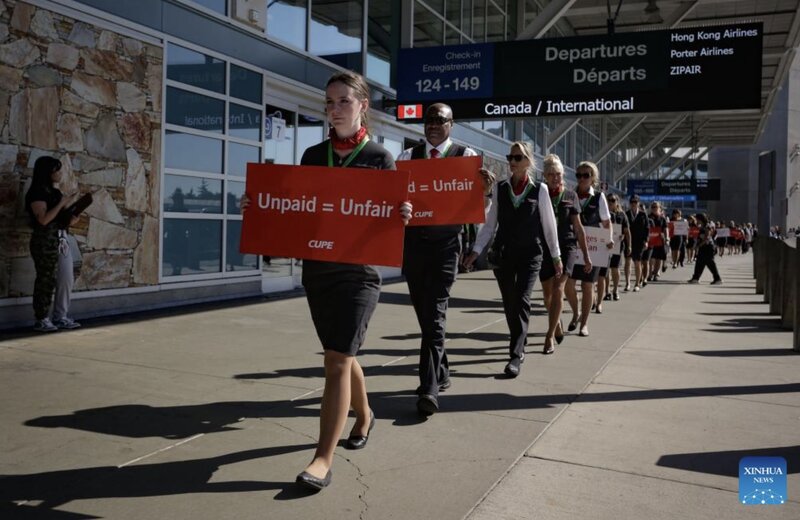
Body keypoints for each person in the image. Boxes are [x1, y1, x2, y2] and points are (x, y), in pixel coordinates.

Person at [241, 71, 412, 491]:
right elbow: (299, 211)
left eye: (342, 102)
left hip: (358, 276)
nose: (333, 110)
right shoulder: (313, 156)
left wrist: (399, 214)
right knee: (343, 353)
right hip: (319, 271)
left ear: (362, 106)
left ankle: (322, 458)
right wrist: (260, 205)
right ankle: (365, 413)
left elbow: (381, 220)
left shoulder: (379, 158)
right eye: (329, 103)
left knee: (335, 360)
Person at [397, 103, 493, 415]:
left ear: (452, 124)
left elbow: (478, 209)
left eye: (440, 120)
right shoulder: (406, 158)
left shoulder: (465, 158)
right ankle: (443, 370)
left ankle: (429, 389)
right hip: (413, 247)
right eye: (429, 120)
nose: (433, 125)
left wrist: (485, 192)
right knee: (425, 315)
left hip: (445, 248)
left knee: (435, 314)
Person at [463, 142, 560, 375]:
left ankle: (516, 354)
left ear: (528, 161)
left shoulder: (540, 190)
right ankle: (519, 340)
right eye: (511, 157)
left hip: (530, 255)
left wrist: (556, 256)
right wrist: (476, 250)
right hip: (504, 253)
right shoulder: (500, 188)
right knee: (509, 303)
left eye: (518, 158)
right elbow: (490, 224)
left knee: (522, 298)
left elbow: (549, 225)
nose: (513, 162)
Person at [534, 154, 590, 354]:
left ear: (563, 174)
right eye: (551, 174)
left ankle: (548, 337)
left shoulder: (570, 196)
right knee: (547, 295)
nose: (555, 178)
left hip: (566, 247)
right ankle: (556, 324)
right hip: (544, 248)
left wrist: (586, 254)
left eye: (558, 174)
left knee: (559, 288)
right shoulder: (538, 194)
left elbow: (578, 227)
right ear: (544, 175)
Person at [25, 156, 81, 332]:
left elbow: (60, 219)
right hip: (44, 241)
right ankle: (41, 318)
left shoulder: (56, 193)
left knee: (66, 278)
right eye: (57, 170)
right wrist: (62, 203)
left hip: (61, 239)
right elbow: (43, 220)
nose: (60, 173)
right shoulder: (36, 192)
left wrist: (72, 218)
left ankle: (60, 316)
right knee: (46, 279)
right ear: (47, 172)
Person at [565, 161, 612, 337]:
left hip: (593, 247)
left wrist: (608, 240)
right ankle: (575, 311)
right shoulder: (570, 195)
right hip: (573, 245)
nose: (582, 178)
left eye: (586, 175)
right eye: (579, 175)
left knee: (587, 285)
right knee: (568, 284)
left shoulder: (599, 197)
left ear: (593, 178)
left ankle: (583, 323)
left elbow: (607, 222)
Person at [605, 194, 631, 301]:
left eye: (613, 200)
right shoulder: (603, 213)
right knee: (605, 269)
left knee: (615, 268)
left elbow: (627, 231)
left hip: (617, 245)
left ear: (617, 202)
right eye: (608, 200)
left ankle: (615, 290)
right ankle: (607, 291)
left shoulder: (622, 215)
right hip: (604, 245)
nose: (610, 202)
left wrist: (629, 245)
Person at [688, 213, 722, 285]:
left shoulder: (707, 226)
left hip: (708, 247)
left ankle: (717, 279)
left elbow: (707, 237)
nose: (696, 220)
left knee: (710, 263)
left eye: (696, 219)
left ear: (700, 219)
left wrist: (699, 245)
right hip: (703, 247)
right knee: (699, 262)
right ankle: (695, 278)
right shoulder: (702, 226)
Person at [625, 195, 649, 292]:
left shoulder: (643, 215)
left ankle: (637, 283)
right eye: (632, 202)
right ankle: (627, 283)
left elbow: (647, 229)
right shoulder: (626, 214)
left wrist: (646, 241)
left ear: (638, 203)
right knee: (627, 262)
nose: (633, 204)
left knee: (637, 262)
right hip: (628, 241)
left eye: (635, 202)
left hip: (639, 242)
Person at [646, 201, 668, 281]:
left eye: (656, 207)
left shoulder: (662, 218)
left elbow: (665, 229)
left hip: (660, 240)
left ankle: (655, 274)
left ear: (659, 208)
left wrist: (667, 238)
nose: (654, 208)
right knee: (651, 258)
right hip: (650, 240)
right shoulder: (648, 217)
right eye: (653, 207)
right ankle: (649, 275)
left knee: (658, 258)